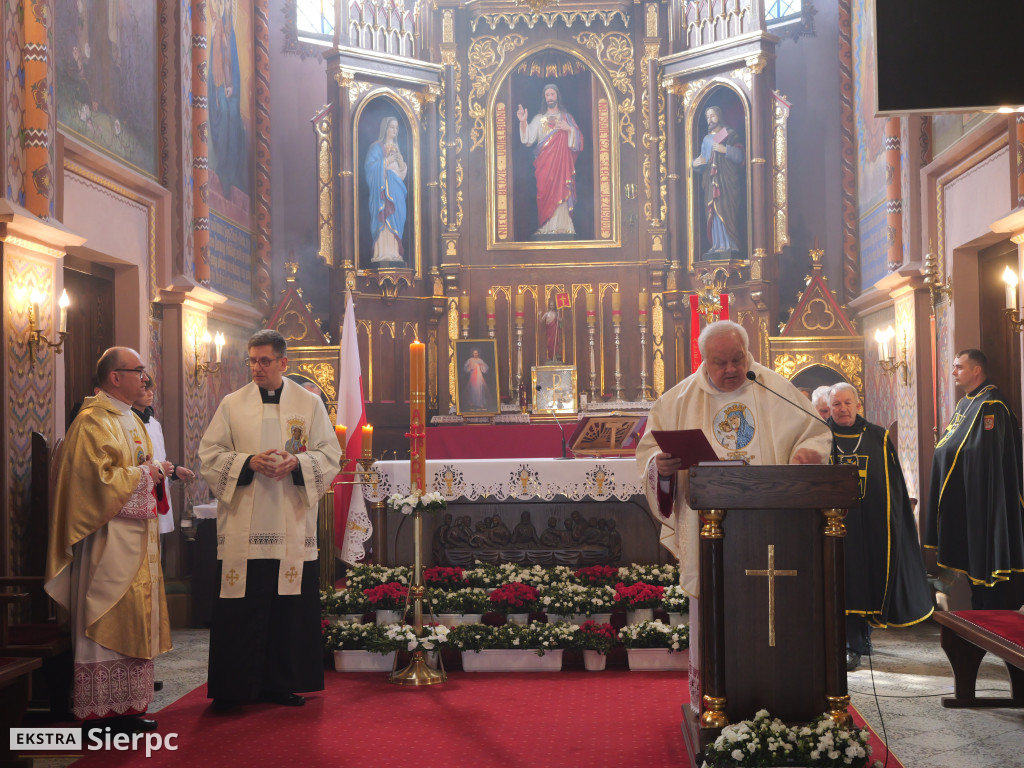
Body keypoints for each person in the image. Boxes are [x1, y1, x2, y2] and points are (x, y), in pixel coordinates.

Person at [636, 320, 831, 710]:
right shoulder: (677, 402)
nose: (731, 369)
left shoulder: (776, 389)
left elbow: (816, 432)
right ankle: (716, 698)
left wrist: (807, 453)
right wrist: (662, 467)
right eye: (720, 362)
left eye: (737, 359)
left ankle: (778, 695)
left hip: (772, 529)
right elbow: (649, 458)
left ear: (748, 353)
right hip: (709, 530)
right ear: (704, 360)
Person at [198, 329, 341, 709]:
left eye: (264, 361)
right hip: (244, 523)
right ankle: (234, 688)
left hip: (290, 520)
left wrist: (299, 462)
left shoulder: (309, 404)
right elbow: (210, 454)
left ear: (283, 362)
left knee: (287, 608)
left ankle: (282, 684)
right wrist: (248, 462)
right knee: (241, 607)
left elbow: (330, 454)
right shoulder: (232, 404)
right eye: (252, 361)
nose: (257, 368)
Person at [45, 347, 172, 733]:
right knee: (106, 614)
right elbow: (94, 483)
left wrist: (152, 471)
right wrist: (147, 474)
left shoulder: (130, 418)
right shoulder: (92, 422)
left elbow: (134, 468)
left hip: (136, 540)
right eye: (138, 371)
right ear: (115, 377)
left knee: (134, 618)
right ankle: (101, 714)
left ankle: (128, 709)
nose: (145, 379)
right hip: (107, 542)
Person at [827, 382, 933, 671]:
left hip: (871, 524)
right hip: (833, 525)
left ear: (858, 404)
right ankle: (851, 644)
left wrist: (896, 523)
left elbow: (893, 486)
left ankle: (861, 638)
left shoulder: (878, 437)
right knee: (843, 583)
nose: (842, 408)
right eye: (836, 404)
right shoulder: (819, 436)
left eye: (847, 402)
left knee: (870, 579)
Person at [925, 349, 1024, 609]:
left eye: (959, 367)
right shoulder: (965, 403)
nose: (953, 372)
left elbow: (986, 456)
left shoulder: (992, 405)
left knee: (986, 571)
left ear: (976, 370)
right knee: (969, 564)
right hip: (965, 497)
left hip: (985, 499)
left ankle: (989, 619)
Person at [132, 376, 196, 537]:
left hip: (159, 492)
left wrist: (174, 470)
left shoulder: (155, 424)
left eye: (151, 389)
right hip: (139, 497)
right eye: (146, 389)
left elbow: (159, 457)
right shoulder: (128, 423)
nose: (150, 393)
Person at [517, 83, 583, 237]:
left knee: (562, 189)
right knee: (544, 193)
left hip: (562, 165)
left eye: (553, 94)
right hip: (545, 166)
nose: (550, 97)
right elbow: (528, 139)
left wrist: (569, 129)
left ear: (557, 96)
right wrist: (523, 121)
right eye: (547, 95)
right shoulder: (539, 119)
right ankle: (546, 227)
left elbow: (580, 140)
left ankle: (563, 226)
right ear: (544, 98)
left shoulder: (566, 117)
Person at [691, 105, 745, 257]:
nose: (710, 120)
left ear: (719, 116)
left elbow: (740, 156)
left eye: (713, 116)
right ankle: (717, 244)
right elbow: (703, 160)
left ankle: (730, 244)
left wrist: (725, 149)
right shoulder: (706, 139)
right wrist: (695, 163)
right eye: (707, 117)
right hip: (711, 182)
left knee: (726, 208)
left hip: (727, 182)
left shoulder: (729, 134)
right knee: (713, 211)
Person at [365, 116, 408, 264]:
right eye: (392, 127)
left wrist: (402, 164)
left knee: (397, 217)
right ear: (385, 128)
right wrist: (386, 161)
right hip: (382, 194)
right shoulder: (376, 147)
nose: (394, 131)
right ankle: (382, 253)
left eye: (396, 128)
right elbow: (369, 169)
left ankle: (395, 253)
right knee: (384, 218)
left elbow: (401, 174)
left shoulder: (397, 148)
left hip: (397, 191)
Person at [541, 296, 562, 362]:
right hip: (549, 331)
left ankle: (554, 357)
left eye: (553, 305)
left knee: (555, 343)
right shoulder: (546, 314)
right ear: (549, 306)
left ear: (554, 306)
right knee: (549, 343)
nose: (552, 306)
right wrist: (539, 314)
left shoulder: (556, 313)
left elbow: (560, 320)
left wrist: (559, 316)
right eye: (551, 305)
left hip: (554, 331)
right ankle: (550, 357)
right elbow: (541, 321)